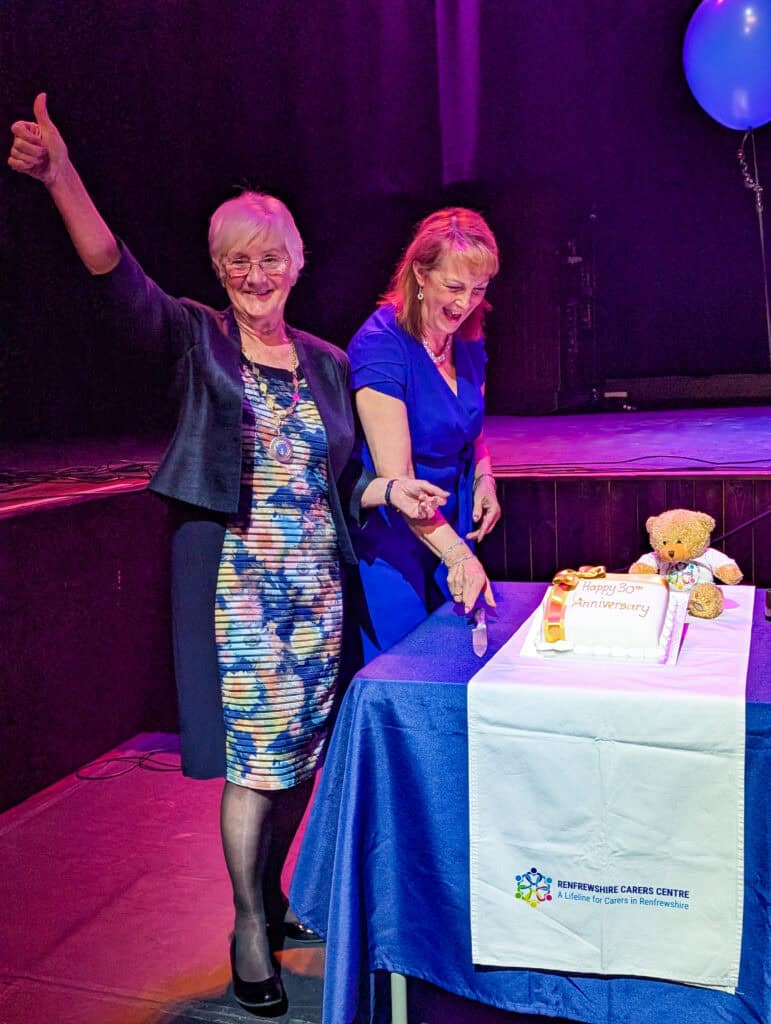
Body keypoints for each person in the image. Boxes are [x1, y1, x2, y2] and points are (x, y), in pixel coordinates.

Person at [8, 94, 447, 1017]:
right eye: (238, 260)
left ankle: (275, 895)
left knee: (303, 754)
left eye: (270, 257)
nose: (256, 274)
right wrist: (62, 177)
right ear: (218, 270)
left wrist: (390, 492)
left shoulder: (327, 363)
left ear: (297, 263)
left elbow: (342, 481)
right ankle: (249, 924)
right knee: (255, 761)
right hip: (238, 591)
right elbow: (114, 273)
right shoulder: (197, 339)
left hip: (317, 589)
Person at [348, 207, 502, 660]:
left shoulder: (467, 338)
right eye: (454, 287)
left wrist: (485, 477)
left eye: (478, 289)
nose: (465, 302)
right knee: (408, 668)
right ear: (420, 273)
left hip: (450, 523)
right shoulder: (381, 345)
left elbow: (470, 428)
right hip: (395, 539)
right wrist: (458, 556)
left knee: (457, 662)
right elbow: (401, 483)